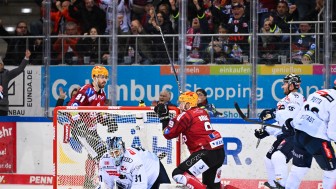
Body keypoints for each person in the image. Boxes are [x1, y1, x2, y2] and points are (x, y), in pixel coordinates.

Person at [155, 91, 225, 189]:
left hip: (206, 152)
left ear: (188, 104)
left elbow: (168, 134)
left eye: (181, 102)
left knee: (178, 174)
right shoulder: (202, 111)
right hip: (219, 152)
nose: (179, 105)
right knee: (213, 187)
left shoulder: (186, 116)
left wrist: (164, 117)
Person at [254, 73, 305, 189]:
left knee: (278, 157)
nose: (282, 86)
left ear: (292, 85)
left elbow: (290, 115)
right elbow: (282, 123)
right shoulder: (285, 99)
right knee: (268, 159)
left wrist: (273, 113)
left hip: (296, 135)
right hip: (286, 134)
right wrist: (266, 131)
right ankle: (273, 185)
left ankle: (283, 186)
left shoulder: (296, 97)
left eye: (285, 83)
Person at [284, 81, 336, 189]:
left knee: (298, 169)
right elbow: (332, 132)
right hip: (316, 138)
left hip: (299, 134)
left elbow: (301, 113)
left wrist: (290, 123)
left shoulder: (318, 93)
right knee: (332, 171)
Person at [67, 65, 109, 189]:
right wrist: (78, 123)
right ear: (94, 77)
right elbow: (72, 107)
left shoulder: (102, 94)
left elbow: (99, 112)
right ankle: (95, 182)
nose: (104, 80)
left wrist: (107, 120)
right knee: (101, 153)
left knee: (94, 155)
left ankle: (89, 183)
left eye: (105, 77)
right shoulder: (87, 90)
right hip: (81, 131)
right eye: (101, 77)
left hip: (92, 131)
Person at [98, 137, 171, 189]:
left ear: (123, 149)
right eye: (111, 153)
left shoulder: (133, 160)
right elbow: (105, 184)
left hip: (154, 171)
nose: (114, 156)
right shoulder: (104, 160)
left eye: (116, 152)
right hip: (130, 178)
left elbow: (140, 186)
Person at [0, 50, 31, 116]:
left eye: (0, 64)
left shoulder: (6, 74)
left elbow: (19, 69)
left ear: (2, 65)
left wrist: (26, 58)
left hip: (3, 107)